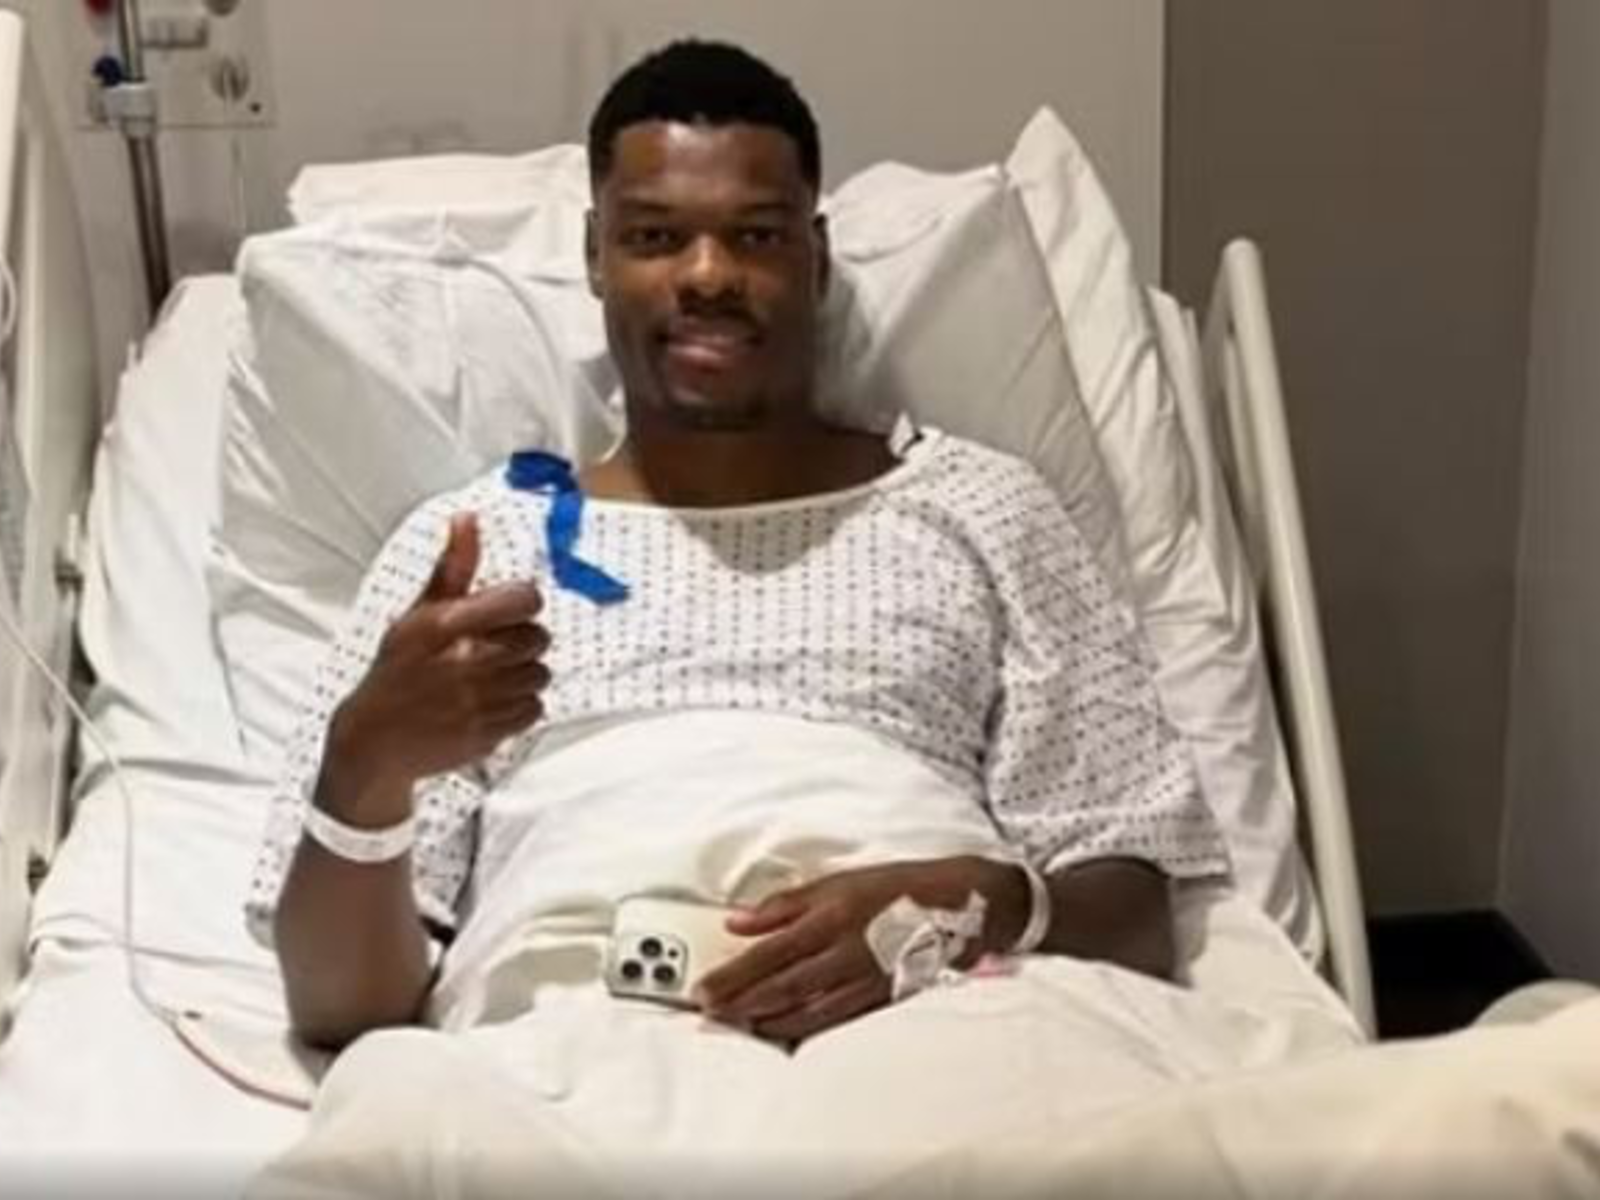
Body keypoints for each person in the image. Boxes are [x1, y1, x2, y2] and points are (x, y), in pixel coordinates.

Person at [247, 39, 1335, 1198]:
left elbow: (1135, 909)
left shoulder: (981, 508)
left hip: (951, 1016)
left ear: (814, 258)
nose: (707, 274)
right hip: (572, 1045)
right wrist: (364, 766)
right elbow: (341, 1006)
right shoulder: (474, 550)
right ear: (596, 259)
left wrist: (964, 906)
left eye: (756, 236)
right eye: (655, 236)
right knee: (407, 1115)